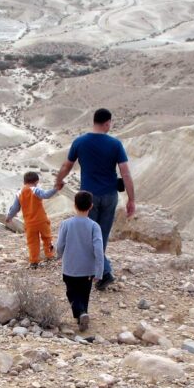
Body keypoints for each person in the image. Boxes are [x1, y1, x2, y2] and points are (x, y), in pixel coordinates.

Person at [54, 107, 135, 290]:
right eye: (110, 123)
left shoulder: (80, 142)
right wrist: (131, 199)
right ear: (107, 123)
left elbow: (67, 166)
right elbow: (126, 173)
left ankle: (103, 272)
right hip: (109, 196)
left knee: (88, 236)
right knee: (101, 236)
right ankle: (102, 272)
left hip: (88, 197)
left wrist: (58, 181)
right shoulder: (115, 145)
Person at [55, 190, 104, 332]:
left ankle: (81, 314)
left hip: (70, 267)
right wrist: (99, 271)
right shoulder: (95, 226)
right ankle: (83, 315)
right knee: (84, 293)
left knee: (71, 293)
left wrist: (59, 256)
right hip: (88, 269)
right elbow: (99, 250)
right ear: (91, 206)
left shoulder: (66, 224)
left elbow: (60, 245)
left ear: (74, 205)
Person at [5, 170, 59, 267]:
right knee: (47, 238)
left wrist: (9, 217)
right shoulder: (35, 190)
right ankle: (50, 256)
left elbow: (15, 208)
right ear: (36, 182)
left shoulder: (19, 193)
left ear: (24, 182)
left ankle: (34, 262)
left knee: (32, 242)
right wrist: (56, 188)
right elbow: (46, 195)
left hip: (29, 223)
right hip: (42, 221)